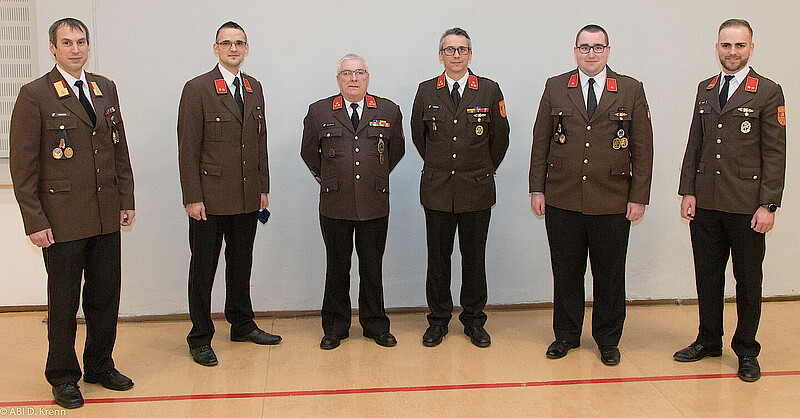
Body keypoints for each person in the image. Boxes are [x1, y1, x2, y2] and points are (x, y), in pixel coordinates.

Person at [10, 17, 136, 409]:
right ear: (53, 48)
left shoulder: (104, 87)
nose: (75, 49)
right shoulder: (35, 95)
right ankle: (63, 376)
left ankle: (100, 364)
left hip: (104, 212)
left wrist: (126, 198)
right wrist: (35, 220)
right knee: (64, 302)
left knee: (105, 296)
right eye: (67, 43)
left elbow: (118, 147)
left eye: (81, 42)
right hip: (61, 219)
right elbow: (23, 166)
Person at [529, 24, 653, 365]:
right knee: (566, 271)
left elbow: (643, 147)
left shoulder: (630, 89)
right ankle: (566, 335)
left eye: (598, 47)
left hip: (612, 198)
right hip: (563, 196)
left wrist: (638, 196)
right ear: (575, 51)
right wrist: (537, 188)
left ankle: (608, 340)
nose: (591, 53)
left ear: (608, 51)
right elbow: (541, 140)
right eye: (584, 47)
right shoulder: (556, 86)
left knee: (609, 274)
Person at [674, 19, 786, 383]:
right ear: (717, 47)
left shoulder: (767, 91)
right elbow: (695, 143)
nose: (732, 52)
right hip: (707, 202)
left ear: (751, 48)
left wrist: (768, 204)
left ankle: (747, 350)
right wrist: (688, 191)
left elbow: (775, 153)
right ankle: (708, 340)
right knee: (707, 276)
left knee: (748, 282)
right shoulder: (706, 88)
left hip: (746, 206)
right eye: (726, 45)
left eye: (739, 45)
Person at [178, 21, 279, 367]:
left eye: (238, 43)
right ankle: (200, 337)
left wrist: (263, 187)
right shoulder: (198, 88)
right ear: (216, 49)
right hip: (209, 199)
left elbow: (259, 141)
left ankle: (242, 324)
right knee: (203, 270)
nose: (233, 49)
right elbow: (188, 148)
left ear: (246, 48)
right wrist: (192, 196)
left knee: (241, 264)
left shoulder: (254, 87)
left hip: (247, 195)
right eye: (226, 43)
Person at [410, 27, 509, 348]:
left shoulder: (489, 90)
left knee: (474, 258)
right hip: (437, 190)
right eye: (450, 50)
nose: (456, 55)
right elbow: (419, 136)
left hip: (476, 189)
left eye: (462, 49)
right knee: (438, 260)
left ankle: (474, 321)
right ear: (440, 55)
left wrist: (480, 170)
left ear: (470, 54)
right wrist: (441, 166)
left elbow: (500, 139)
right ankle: (438, 321)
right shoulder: (426, 91)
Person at [301, 54, 404, 350]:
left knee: (372, 267)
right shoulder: (319, 111)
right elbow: (309, 152)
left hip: (373, 202)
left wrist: (374, 176)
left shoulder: (388, 110)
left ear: (367, 77)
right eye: (347, 73)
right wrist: (331, 179)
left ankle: (375, 325)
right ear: (338, 79)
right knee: (337, 267)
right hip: (335, 203)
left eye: (359, 72)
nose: (354, 78)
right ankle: (335, 327)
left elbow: (396, 151)